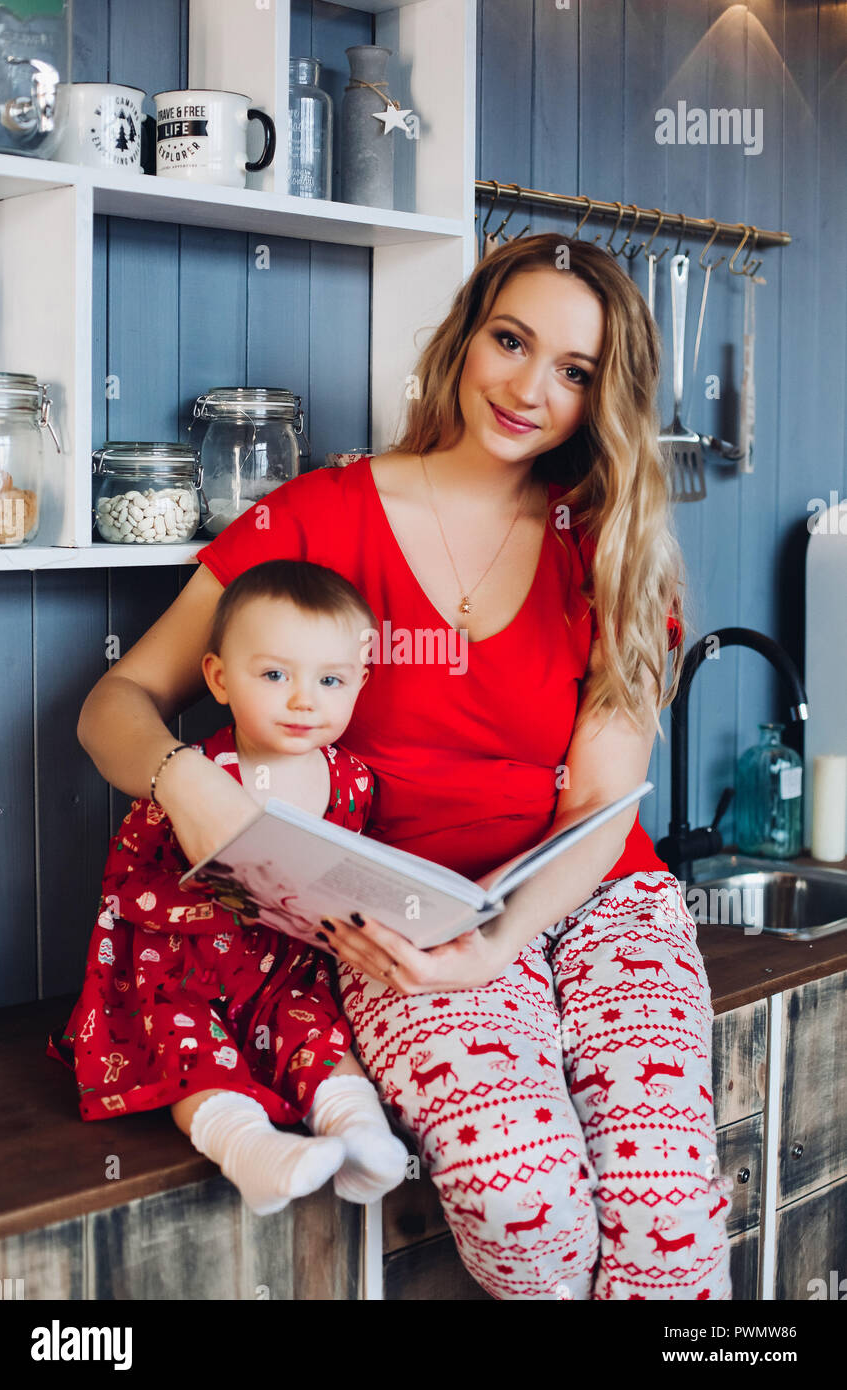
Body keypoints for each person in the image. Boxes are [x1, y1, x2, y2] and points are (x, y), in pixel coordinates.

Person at [73, 232, 733, 1299]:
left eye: (573, 372)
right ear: (464, 338)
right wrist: (179, 777)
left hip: (599, 897)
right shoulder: (318, 514)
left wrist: (503, 945)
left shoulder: (604, 540)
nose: (527, 388)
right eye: (509, 341)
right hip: (405, 921)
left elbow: (605, 804)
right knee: (522, 1203)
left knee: (665, 1215)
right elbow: (117, 700)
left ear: (603, 398)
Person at [47, 560, 409, 1216]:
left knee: (320, 1038)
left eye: (331, 680)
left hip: (287, 975)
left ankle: (362, 1138)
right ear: (218, 677)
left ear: (361, 681)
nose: (305, 700)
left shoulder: (353, 781)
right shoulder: (201, 776)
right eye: (275, 675)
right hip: (183, 973)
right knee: (190, 1048)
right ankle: (248, 1148)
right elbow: (128, 882)